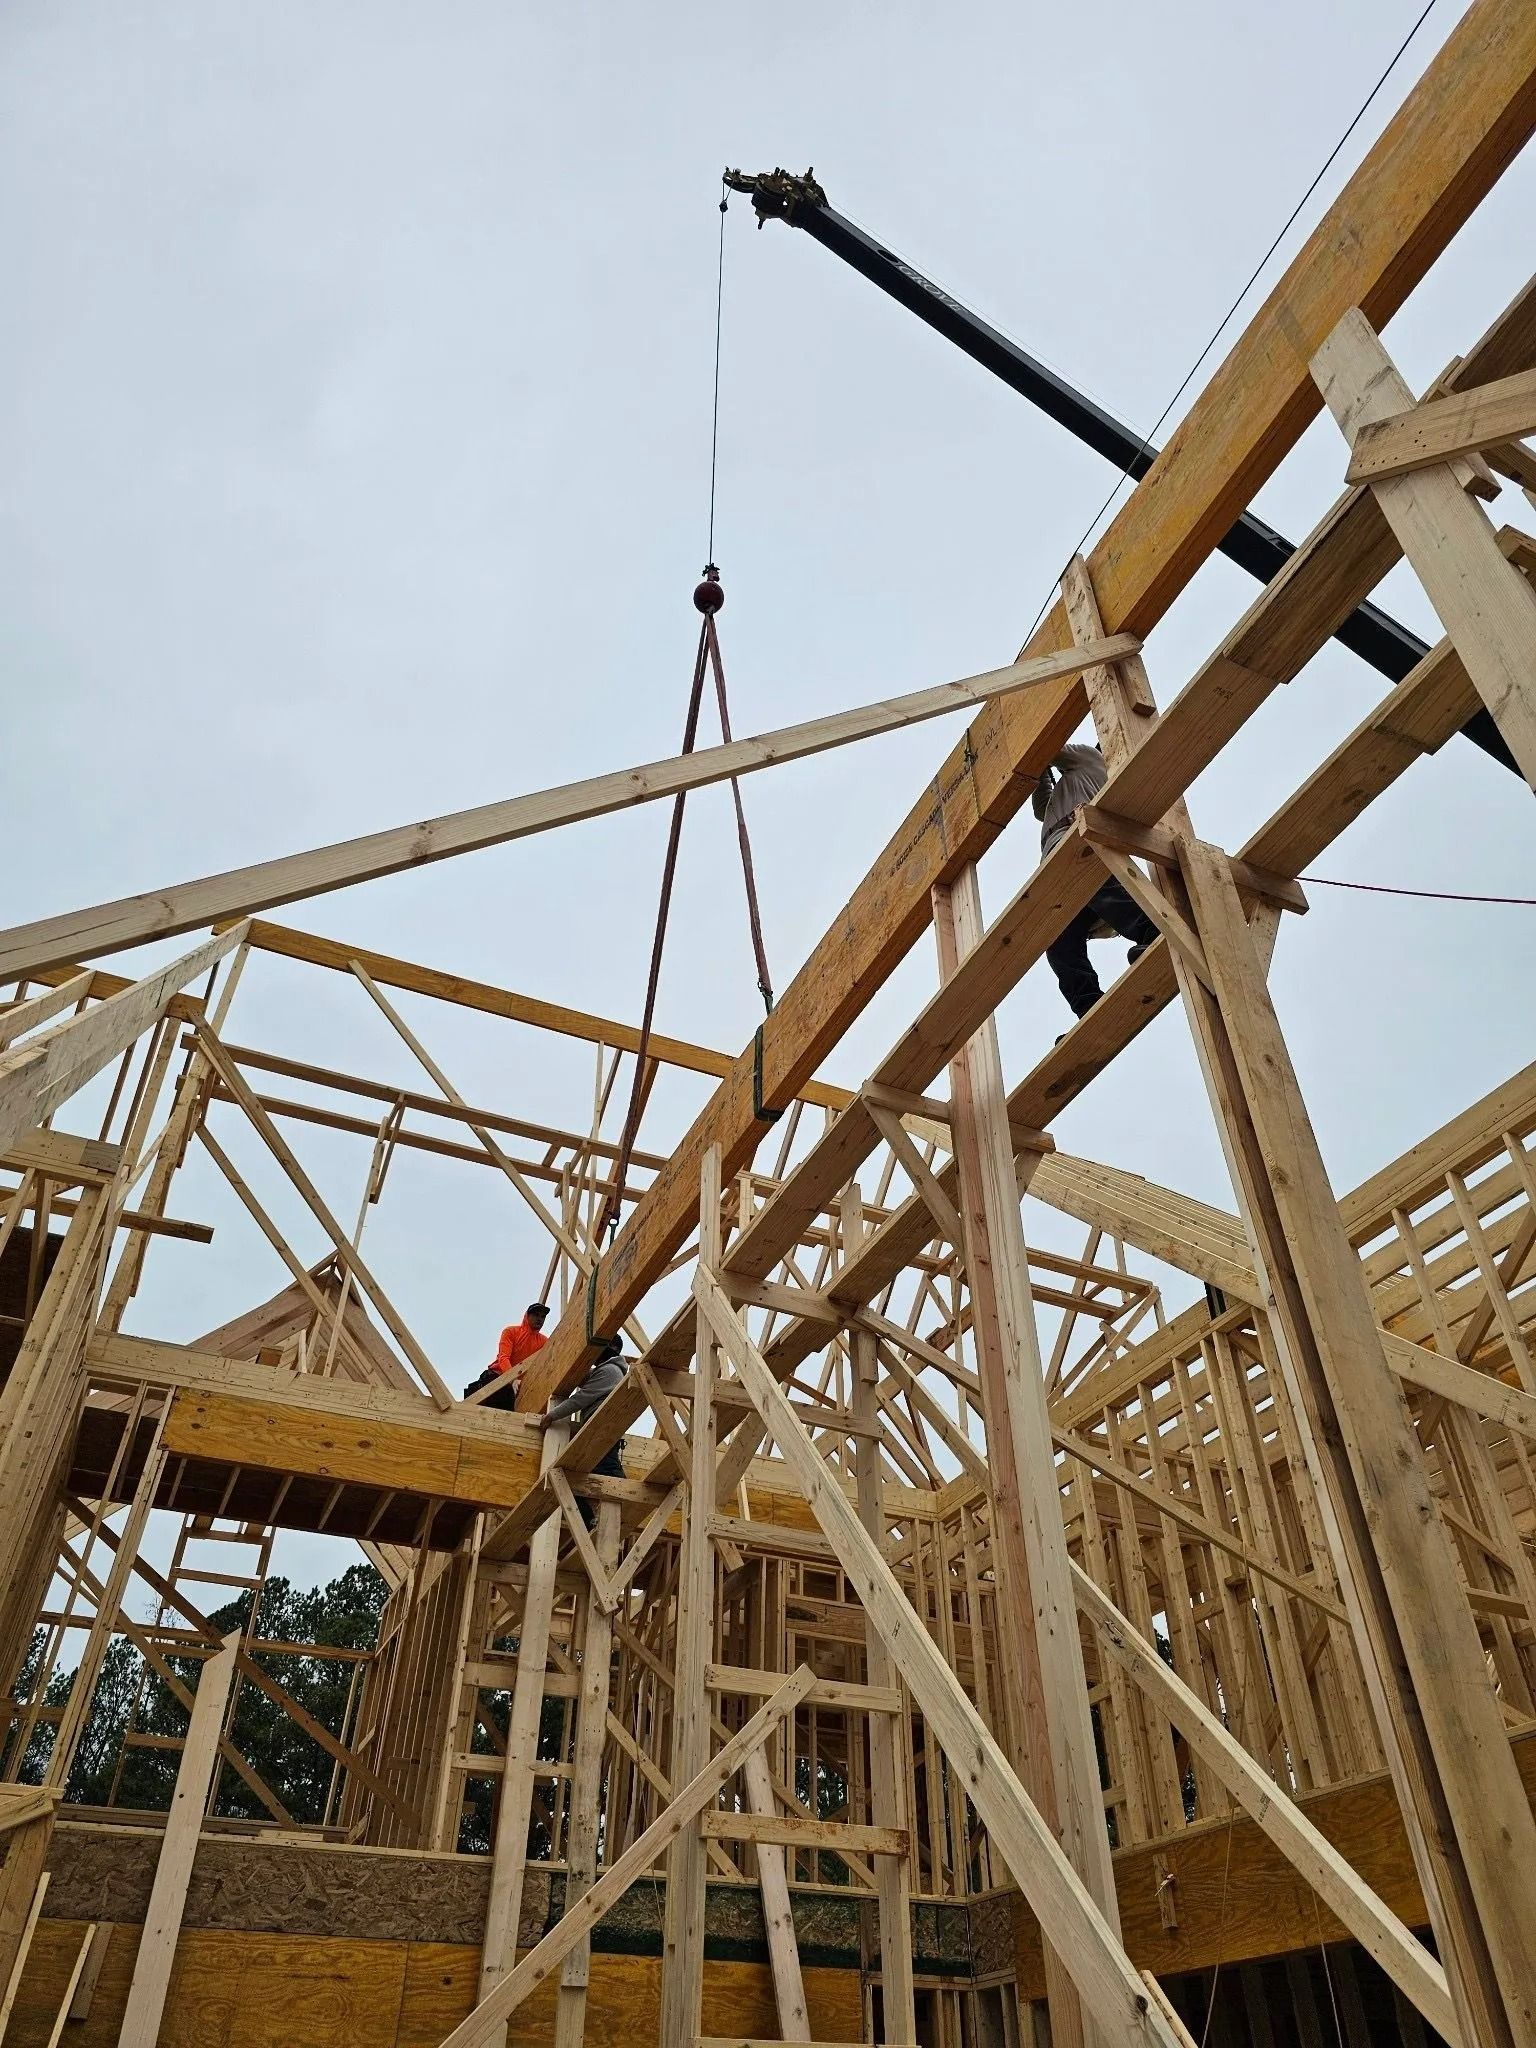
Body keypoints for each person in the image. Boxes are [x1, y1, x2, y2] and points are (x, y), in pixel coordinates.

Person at [1032, 741, 1157, 1022]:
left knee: (1100, 887)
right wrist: (1039, 774)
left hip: (1074, 840)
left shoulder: (1090, 757)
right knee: (1059, 940)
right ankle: (1087, 1005)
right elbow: (1042, 809)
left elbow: (1050, 747)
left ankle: (1153, 933)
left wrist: (1035, 761)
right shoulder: (1079, 779)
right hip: (1059, 852)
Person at [540, 1335, 628, 1526]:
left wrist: (552, 1415)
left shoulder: (610, 1371)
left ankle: (621, 1506)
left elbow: (581, 1398)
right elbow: (587, 1382)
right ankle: (589, 1519)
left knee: (604, 1468)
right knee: (575, 1475)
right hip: (598, 1428)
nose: (593, 1357)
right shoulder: (608, 1371)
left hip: (602, 1427)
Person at [462, 1301, 550, 1411]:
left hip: (516, 1388)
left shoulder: (544, 1342)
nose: (540, 1319)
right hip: (496, 1378)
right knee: (474, 1409)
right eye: (536, 1315)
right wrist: (513, 1379)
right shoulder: (511, 1332)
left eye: (543, 1316)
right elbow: (503, 1358)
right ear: (527, 1316)